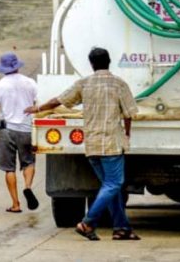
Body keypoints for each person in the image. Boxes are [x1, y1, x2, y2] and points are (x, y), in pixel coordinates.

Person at [27, 47, 140, 242]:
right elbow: (129, 113)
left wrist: (38, 108)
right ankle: (87, 222)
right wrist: (127, 133)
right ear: (109, 61)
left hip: (92, 146)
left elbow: (59, 100)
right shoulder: (118, 84)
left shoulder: (84, 84)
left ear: (91, 64)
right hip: (111, 144)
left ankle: (122, 228)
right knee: (114, 184)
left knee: (110, 187)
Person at [0, 52, 39, 213]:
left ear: (2, 68)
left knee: (9, 168)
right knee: (29, 162)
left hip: (7, 130)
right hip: (27, 129)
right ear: (17, 66)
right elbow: (39, 103)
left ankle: (16, 204)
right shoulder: (30, 83)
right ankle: (28, 187)